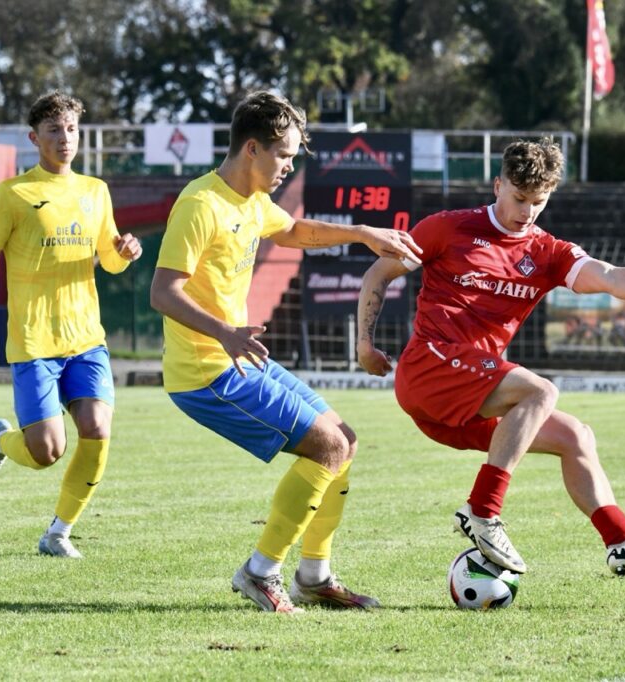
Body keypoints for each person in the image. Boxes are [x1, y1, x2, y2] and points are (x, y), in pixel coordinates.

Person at [357, 139, 625, 576]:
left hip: (468, 401)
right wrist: (364, 344)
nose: (526, 211)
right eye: (519, 198)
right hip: (430, 369)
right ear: (497, 184)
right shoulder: (448, 228)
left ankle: (621, 541)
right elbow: (379, 271)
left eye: (537, 202)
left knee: (576, 436)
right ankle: (482, 511)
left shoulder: (547, 253)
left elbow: (611, 277)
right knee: (541, 390)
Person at [148, 91, 422, 613]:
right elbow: (163, 292)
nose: (289, 166)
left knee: (344, 442)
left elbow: (293, 230)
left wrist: (362, 232)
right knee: (328, 448)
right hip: (206, 373)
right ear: (252, 148)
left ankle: (313, 577)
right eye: (284, 155)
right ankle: (260, 572)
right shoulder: (201, 204)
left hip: (240, 358)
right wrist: (224, 332)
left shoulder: (251, 200)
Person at [0, 91, 143, 559]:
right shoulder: (14, 194)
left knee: (97, 428)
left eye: (72, 130)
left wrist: (122, 253)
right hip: (34, 340)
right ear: (34, 138)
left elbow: (108, 260)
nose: (66, 139)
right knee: (46, 451)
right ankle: (0, 442)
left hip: (85, 338)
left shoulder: (94, 191)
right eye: (55, 130)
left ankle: (58, 532)